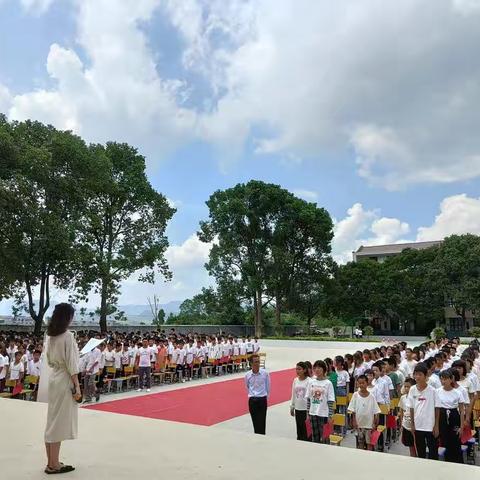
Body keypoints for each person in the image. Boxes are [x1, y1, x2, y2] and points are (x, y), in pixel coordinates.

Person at [44, 303, 80, 475]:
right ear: (67, 317)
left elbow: (49, 359)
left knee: (52, 420)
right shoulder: (68, 336)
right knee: (58, 422)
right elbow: (72, 365)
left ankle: (51, 461)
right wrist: (78, 387)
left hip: (54, 377)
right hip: (65, 378)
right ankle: (54, 464)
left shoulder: (50, 336)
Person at [407, 363, 438, 460]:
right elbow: (411, 408)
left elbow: (437, 408)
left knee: (433, 451)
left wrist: (436, 426)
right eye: (415, 374)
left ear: (426, 375)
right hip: (418, 426)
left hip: (430, 426)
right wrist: (412, 424)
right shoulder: (412, 389)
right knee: (420, 452)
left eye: (420, 374)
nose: (417, 377)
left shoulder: (433, 390)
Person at [435, 369, 465, 464]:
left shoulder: (458, 392)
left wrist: (462, 427)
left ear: (451, 379)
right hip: (441, 416)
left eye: (445, 379)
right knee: (444, 440)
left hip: (454, 416)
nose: (443, 381)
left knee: (455, 441)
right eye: (441, 379)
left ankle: (456, 462)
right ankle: (445, 462)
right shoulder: (437, 391)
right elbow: (435, 409)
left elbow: (461, 410)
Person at [304, 360, 335, 443]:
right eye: (315, 368)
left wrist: (330, 416)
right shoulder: (311, 382)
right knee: (314, 437)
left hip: (323, 414)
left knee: (324, 438)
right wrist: (308, 414)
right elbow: (308, 399)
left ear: (324, 369)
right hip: (313, 413)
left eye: (319, 367)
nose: (317, 370)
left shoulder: (328, 383)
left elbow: (330, 401)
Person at [347, 374, 380, 450]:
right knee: (360, 442)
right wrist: (354, 421)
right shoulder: (355, 395)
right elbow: (353, 410)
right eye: (359, 383)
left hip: (369, 425)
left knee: (369, 443)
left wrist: (374, 423)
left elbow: (376, 411)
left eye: (363, 383)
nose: (361, 385)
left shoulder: (371, 396)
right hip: (359, 424)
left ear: (367, 383)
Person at [245, 354, 270, 435]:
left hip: (262, 399)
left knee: (262, 421)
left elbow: (268, 387)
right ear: (251, 363)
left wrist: (265, 397)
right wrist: (253, 394)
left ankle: (262, 437)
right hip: (252, 400)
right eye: (255, 362)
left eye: (258, 361)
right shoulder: (247, 375)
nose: (258, 363)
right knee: (255, 421)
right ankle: (256, 436)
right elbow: (247, 386)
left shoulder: (265, 373)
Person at [290, 362, 310, 441]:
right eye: (296, 369)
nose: (297, 371)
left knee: (306, 430)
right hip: (298, 408)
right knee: (299, 429)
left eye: (299, 369)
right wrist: (292, 406)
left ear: (304, 370)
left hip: (306, 409)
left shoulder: (309, 381)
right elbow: (293, 394)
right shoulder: (295, 380)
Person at [399, 377, 416, 457]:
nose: (406, 388)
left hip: (415, 425)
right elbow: (402, 411)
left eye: (408, 386)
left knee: (417, 444)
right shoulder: (403, 398)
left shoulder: (416, 398)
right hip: (406, 424)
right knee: (410, 445)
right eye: (405, 386)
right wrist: (401, 424)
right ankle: (412, 457)